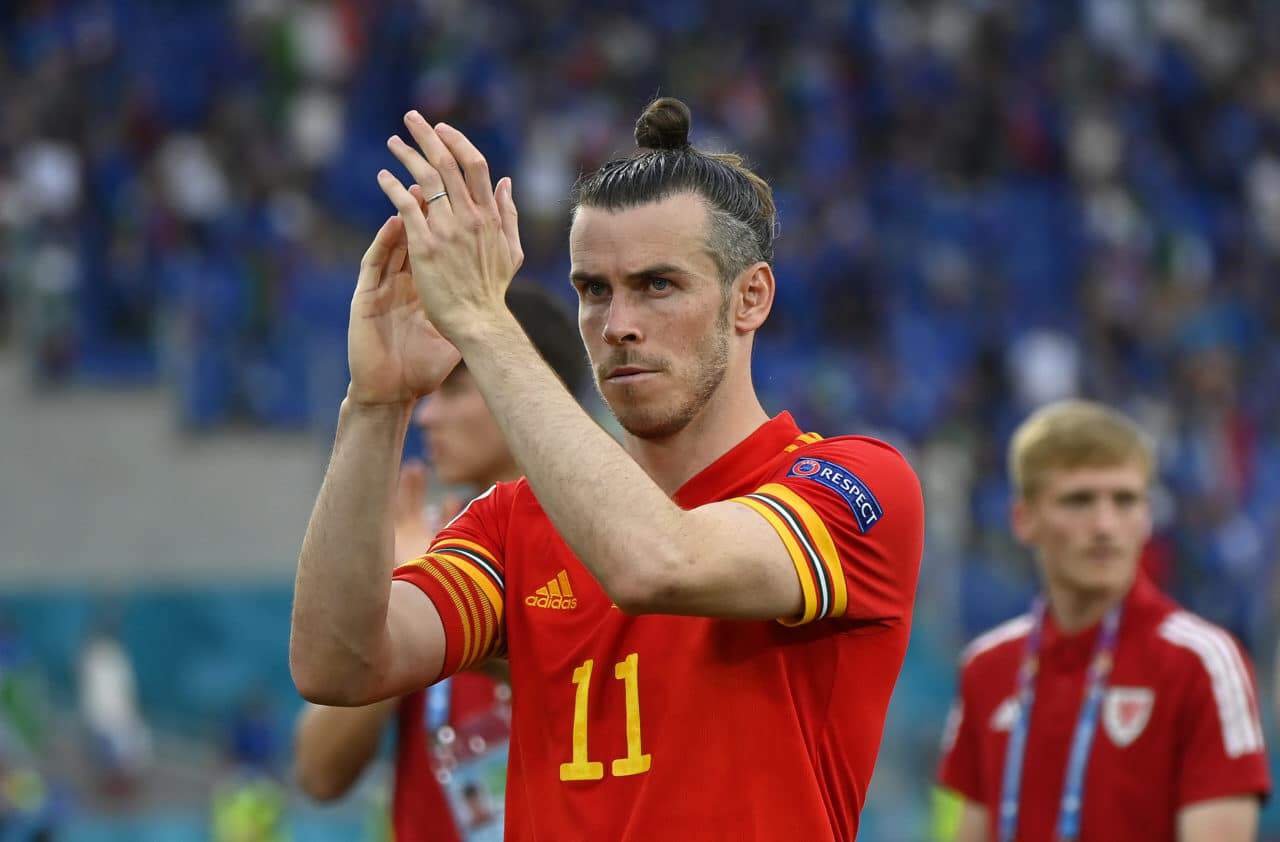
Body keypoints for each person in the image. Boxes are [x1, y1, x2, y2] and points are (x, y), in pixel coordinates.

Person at [289, 97, 924, 840]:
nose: (618, 324)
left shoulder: (855, 484)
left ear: (750, 298)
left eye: (658, 285)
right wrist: (375, 402)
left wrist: (485, 321)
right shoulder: (512, 522)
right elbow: (338, 666)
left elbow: (657, 563)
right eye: (594, 290)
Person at [293, 284, 586, 841]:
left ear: (529, 381)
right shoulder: (425, 544)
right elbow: (318, 773)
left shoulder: (609, 549)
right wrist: (399, 605)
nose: (427, 416)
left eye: (454, 390)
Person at [937, 400, 1270, 842]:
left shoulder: (1203, 663)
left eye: (1125, 500)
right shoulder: (985, 667)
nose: (1105, 526)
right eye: (1079, 500)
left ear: (1147, 517)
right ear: (1024, 519)